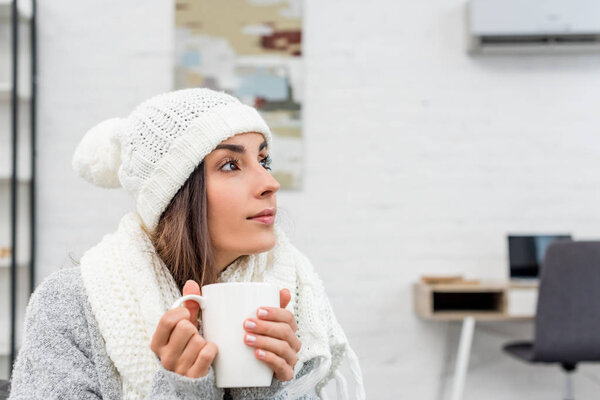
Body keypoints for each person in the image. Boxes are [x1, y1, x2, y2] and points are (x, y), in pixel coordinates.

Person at [8, 88, 366, 399]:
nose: (269, 183)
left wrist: (267, 386)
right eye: (230, 165)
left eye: (263, 159)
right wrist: (180, 390)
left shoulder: (290, 293)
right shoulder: (70, 305)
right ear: (176, 195)